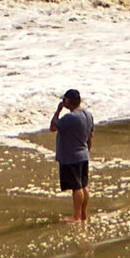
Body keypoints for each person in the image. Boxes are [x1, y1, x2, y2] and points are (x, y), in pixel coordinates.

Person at [51, 88, 92, 224]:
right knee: (83, 185)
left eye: (65, 100)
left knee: (76, 187)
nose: (63, 102)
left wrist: (58, 111)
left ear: (69, 101)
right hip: (83, 154)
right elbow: (90, 136)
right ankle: (83, 213)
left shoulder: (71, 117)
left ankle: (76, 216)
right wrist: (87, 151)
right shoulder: (88, 114)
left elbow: (53, 127)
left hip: (71, 156)